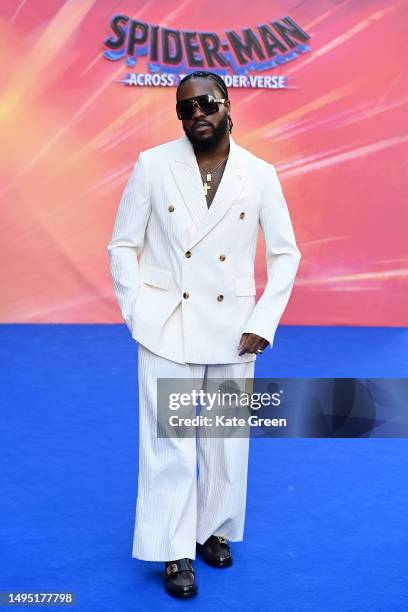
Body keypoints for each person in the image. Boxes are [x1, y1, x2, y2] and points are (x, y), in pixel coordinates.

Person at [107, 70, 301, 598]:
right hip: (167, 322)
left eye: (206, 104)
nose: (197, 115)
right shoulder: (153, 166)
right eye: (185, 108)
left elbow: (285, 255)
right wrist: (137, 308)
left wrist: (263, 320)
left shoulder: (260, 174)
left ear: (228, 104)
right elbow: (122, 245)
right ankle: (172, 550)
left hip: (234, 327)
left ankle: (212, 527)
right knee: (168, 441)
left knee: (224, 440)